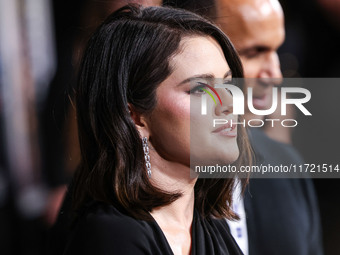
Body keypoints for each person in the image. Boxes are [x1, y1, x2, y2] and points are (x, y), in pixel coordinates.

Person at [59, 5, 253, 255]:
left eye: (227, 83)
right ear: (135, 116)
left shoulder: (209, 225)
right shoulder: (114, 237)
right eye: (200, 90)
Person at [163, 0, 323, 255]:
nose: (275, 75)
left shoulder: (286, 167)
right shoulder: (136, 196)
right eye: (253, 53)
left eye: (276, 51)